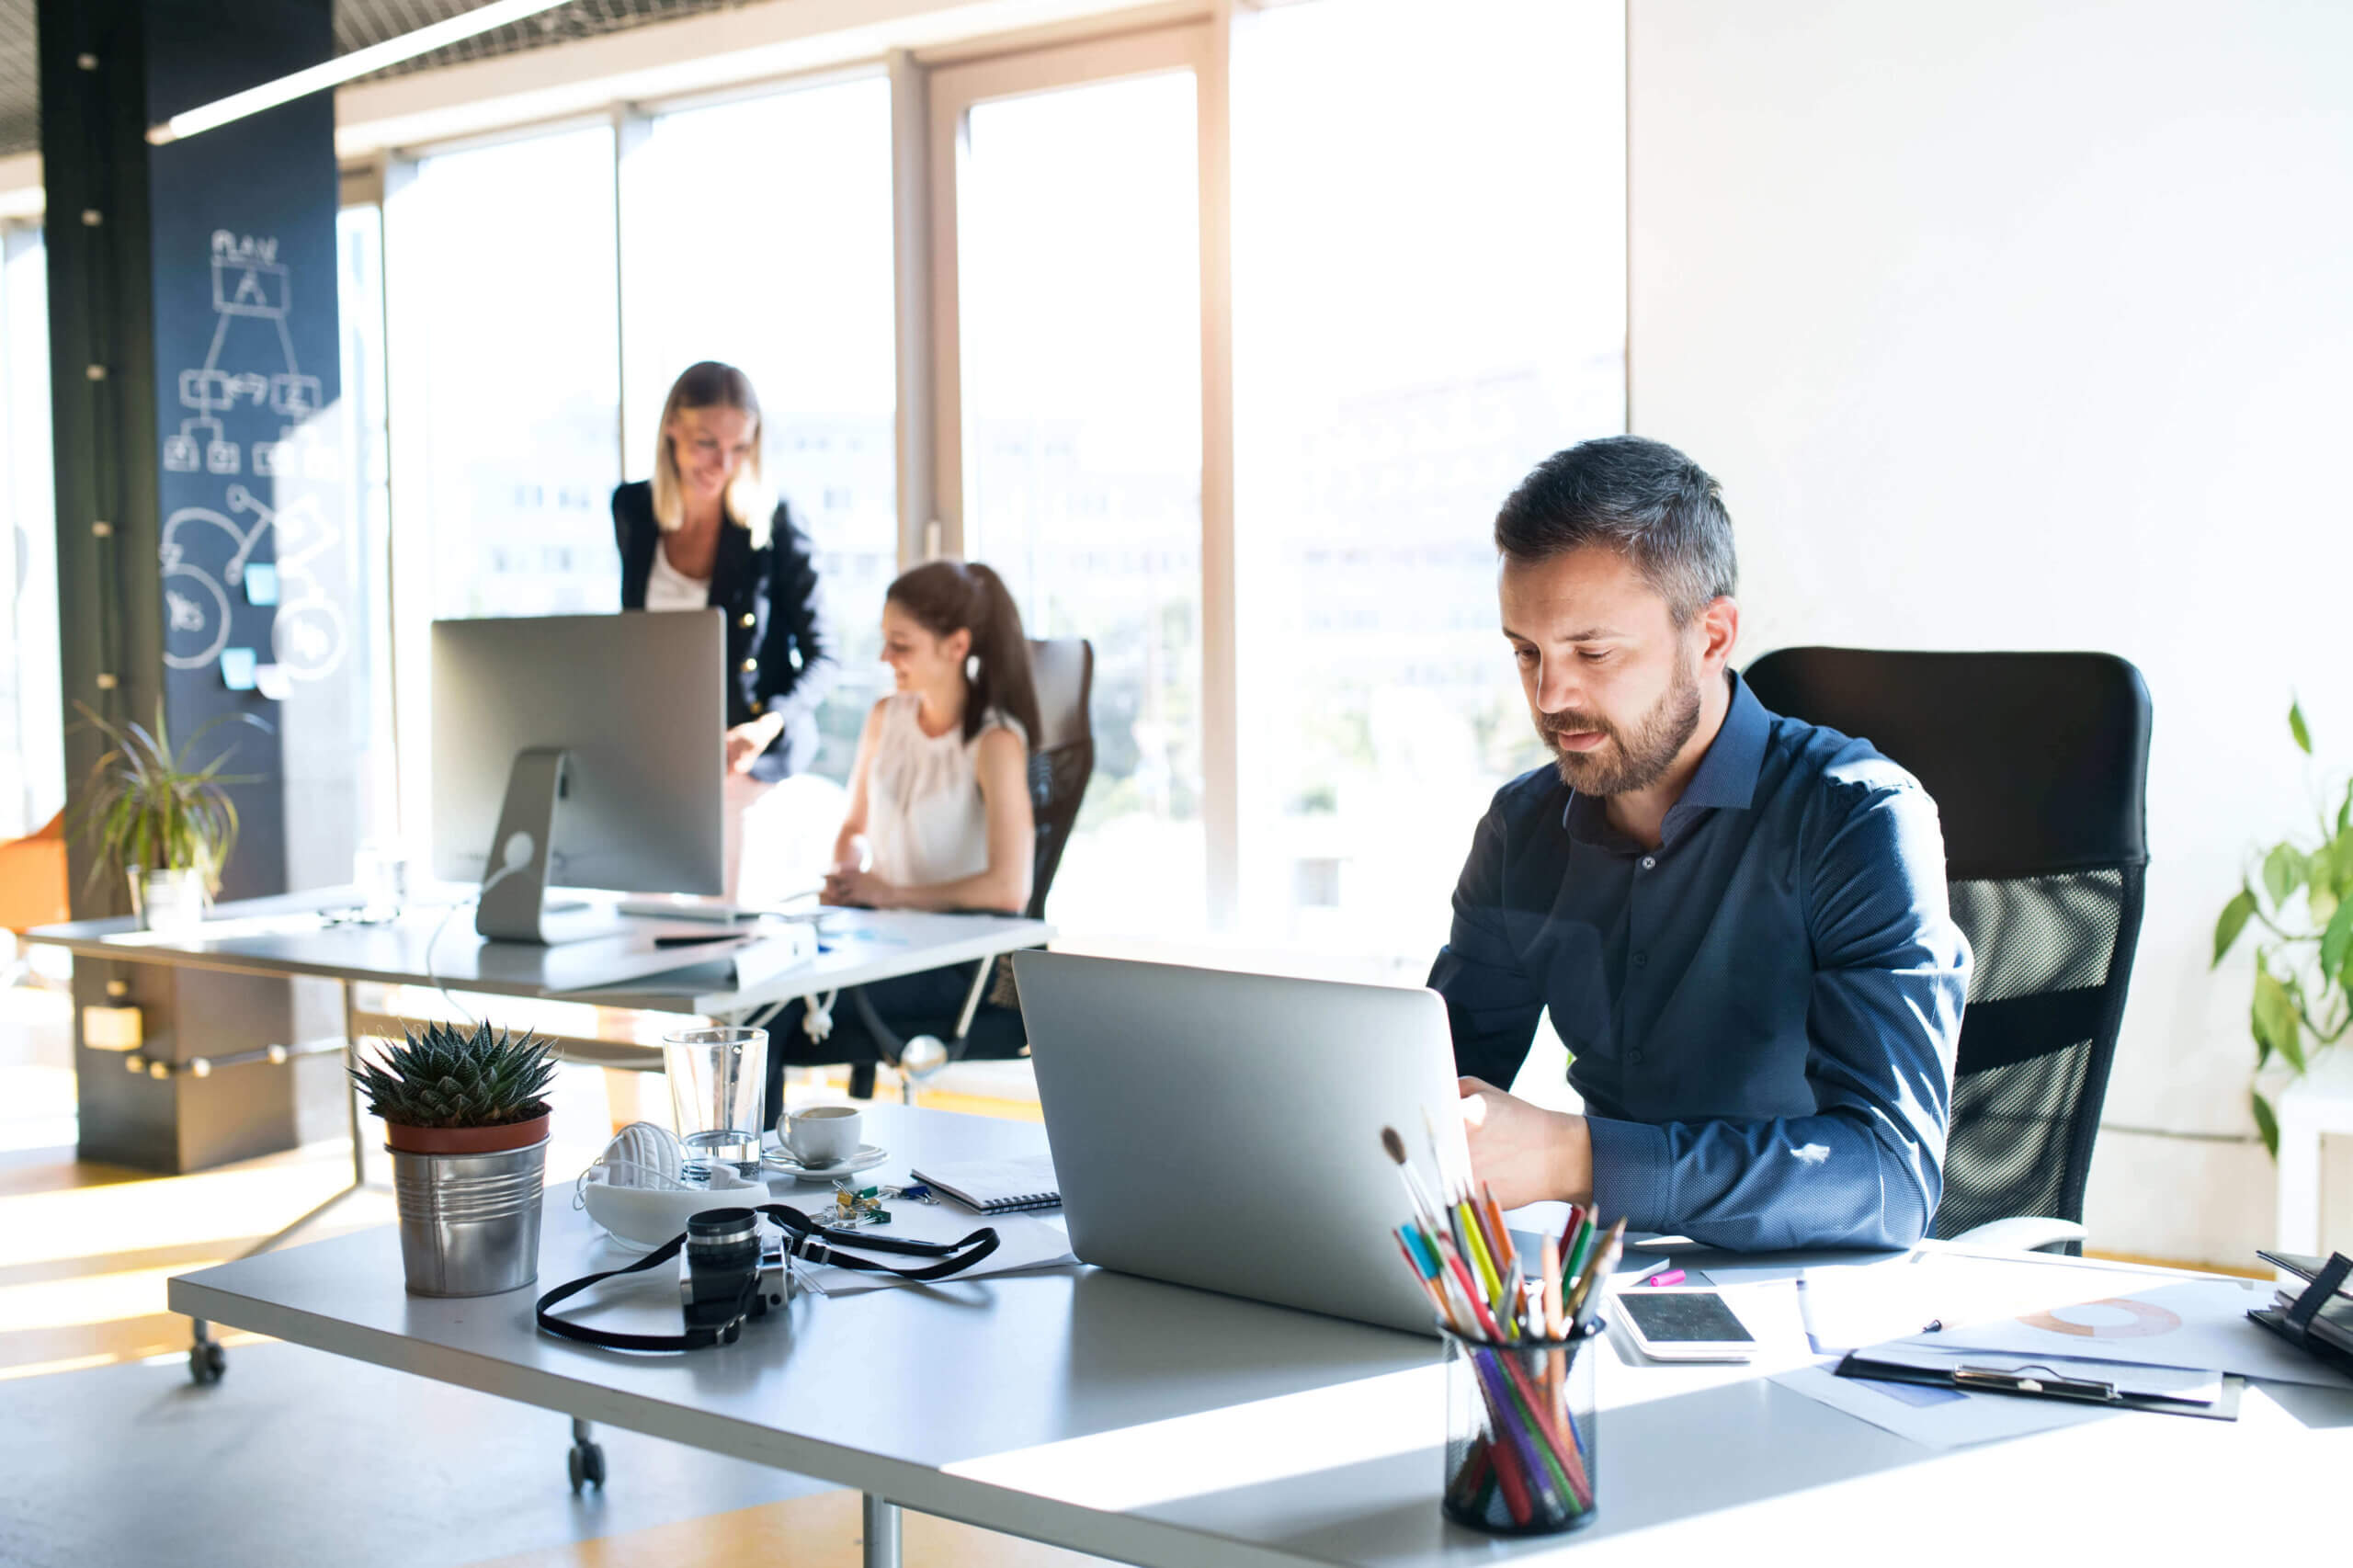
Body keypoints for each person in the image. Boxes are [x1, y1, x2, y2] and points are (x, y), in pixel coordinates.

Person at [1433, 436, 1971, 1252]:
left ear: (1713, 637)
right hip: (1610, 1284)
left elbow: (1890, 1181)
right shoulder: (1521, 830)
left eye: (1593, 651)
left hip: (1820, 1297)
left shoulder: (1859, 820)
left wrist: (1576, 1157)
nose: (1550, 695)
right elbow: (1431, 1091)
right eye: (1527, 652)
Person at [763, 559, 1043, 1118]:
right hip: (882, 944)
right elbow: (852, 828)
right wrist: (845, 882)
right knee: (753, 989)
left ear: (956, 646)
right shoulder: (886, 717)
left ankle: (738, 1180)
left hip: (961, 964)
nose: (885, 658)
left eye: (901, 644)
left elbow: (1009, 890)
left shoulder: (994, 743)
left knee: (768, 1013)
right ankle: (737, 1175)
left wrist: (888, 895)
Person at [612, 361, 837, 903]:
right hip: (661, 750)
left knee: (724, 925)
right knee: (640, 917)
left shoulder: (774, 522)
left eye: (740, 448)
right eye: (707, 443)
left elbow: (823, 657)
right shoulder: (634, 510)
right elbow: (634, 641)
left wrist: (767, 726)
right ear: (671, 429)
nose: (724, 463)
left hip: (748, 752)